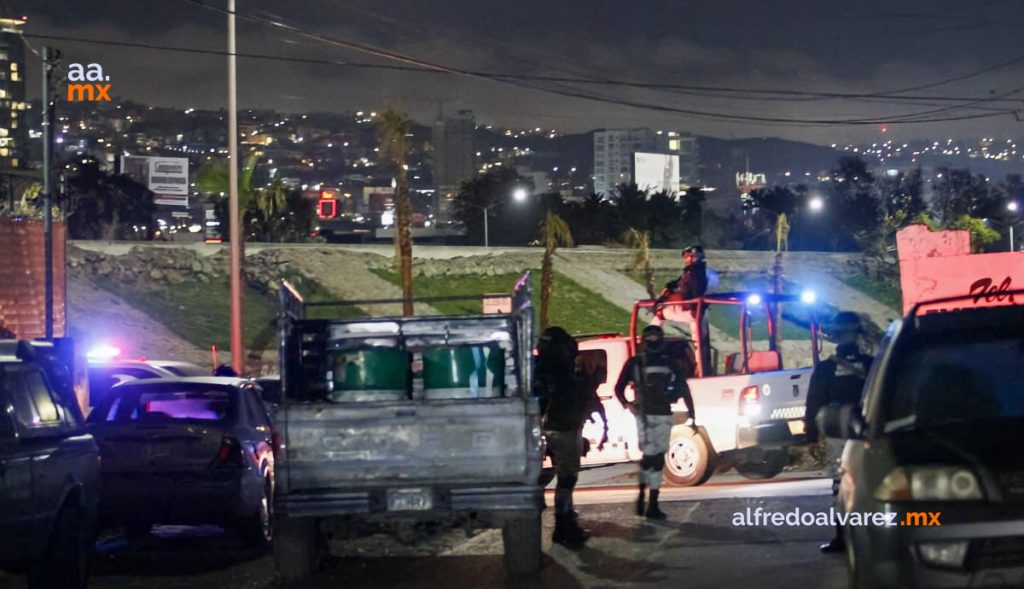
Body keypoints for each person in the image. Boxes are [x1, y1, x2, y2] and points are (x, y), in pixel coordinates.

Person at [805, 311, 873, 553]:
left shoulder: (825, 369)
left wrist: (811, 435)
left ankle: (842, 537)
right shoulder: (871, 365)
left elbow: (814, 401)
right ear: (857, 334)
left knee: (839, 486)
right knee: (871, 483)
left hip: (838, 433)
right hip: (869, 434)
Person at [614, 325, 696, 520]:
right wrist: (693, 414)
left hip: (643, 414)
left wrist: (628, 405)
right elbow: (683, 388)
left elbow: (618, 388)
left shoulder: (634, 363)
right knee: (656, 459)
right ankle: (651, 502)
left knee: (650, 456)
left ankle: (645, 496)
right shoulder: (669, 362)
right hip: (660, 414)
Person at [535, 326, 606, 548]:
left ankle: (565, 522)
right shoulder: (564, 373)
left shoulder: (537, 370)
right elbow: (582, 396)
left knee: (564, 476)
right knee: (567, 478)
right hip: (564, 428)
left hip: (545, 429)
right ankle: (563, 525)